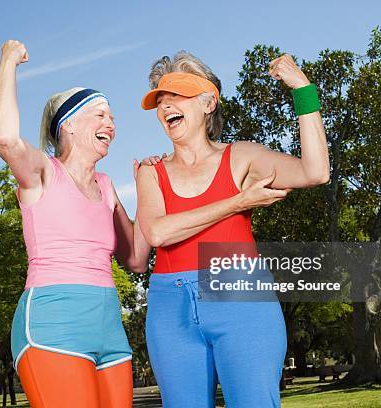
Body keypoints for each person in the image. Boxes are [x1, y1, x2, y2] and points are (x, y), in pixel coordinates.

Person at [136, 51, 330, 407]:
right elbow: (158, 234)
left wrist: (303, 90)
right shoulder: (151, 172)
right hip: (170, 304)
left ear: (208, 102)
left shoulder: (240, 157)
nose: (165, 108)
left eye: (176, 97)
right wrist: (237, 202)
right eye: (160, 101)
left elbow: (315, 171)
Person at [0, 40, 151, 408]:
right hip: (53, 327)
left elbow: (138, 259)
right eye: (100, 115)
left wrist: (148, 190)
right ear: (69, 125)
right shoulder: (44, 172)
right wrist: (9, 60)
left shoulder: (107, 186)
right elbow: (5, 139)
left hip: (109, 332)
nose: (111, 124)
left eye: (112, 118)